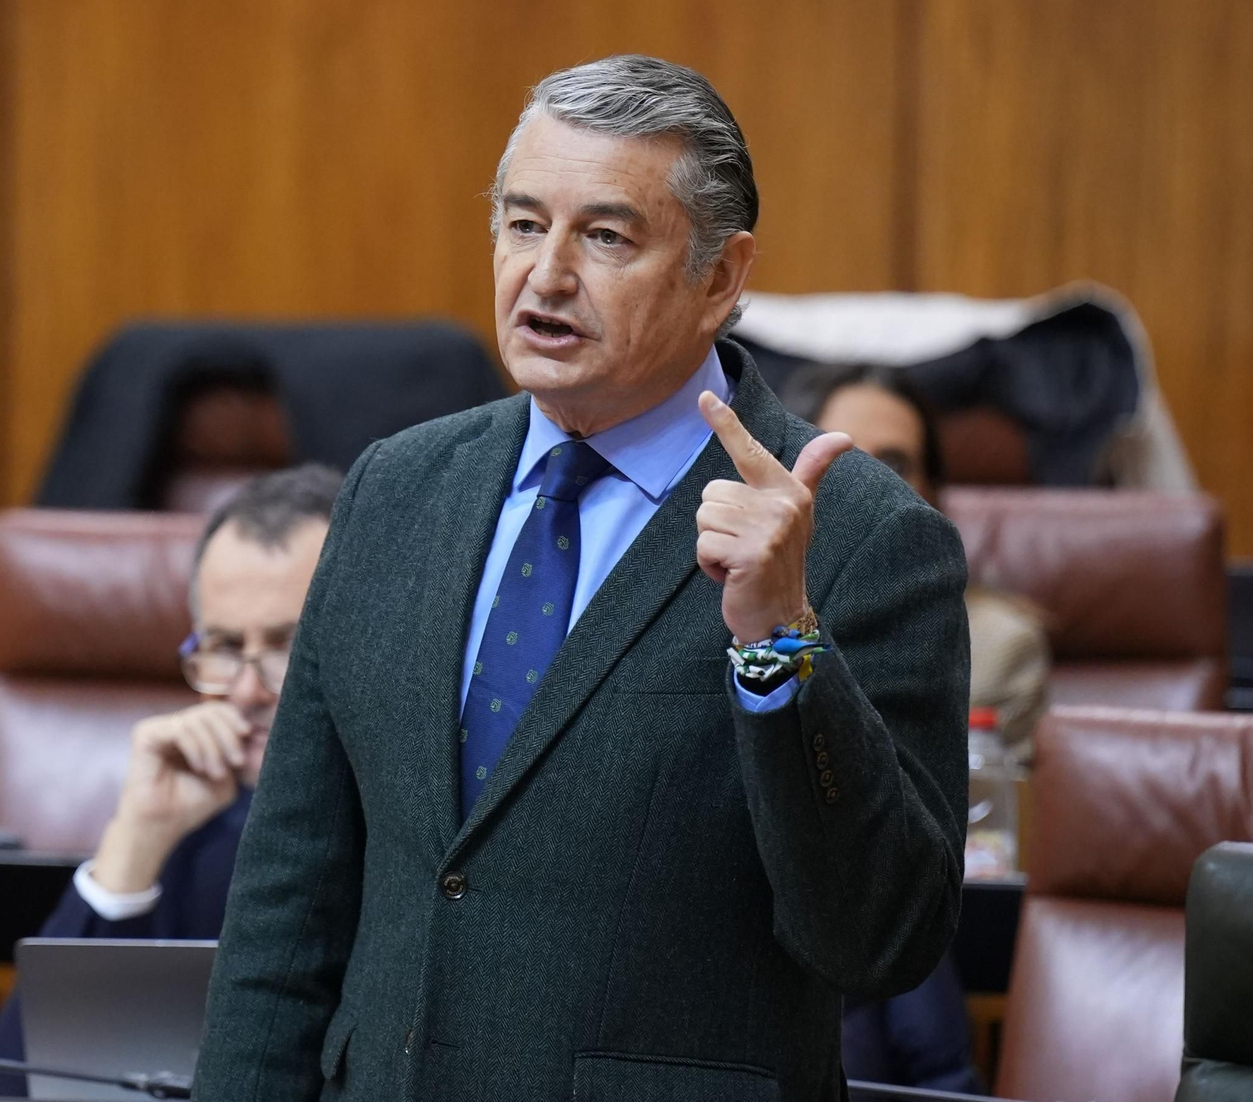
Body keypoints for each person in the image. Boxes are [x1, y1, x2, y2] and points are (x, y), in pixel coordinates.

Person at [190, 55, 969, 1102]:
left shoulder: (861, 537)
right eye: (521, 224)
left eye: (604, 236)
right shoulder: (394, 490)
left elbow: (882, 939)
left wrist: (779, 639)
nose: (544, 276)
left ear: (721, 278)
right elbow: (286, 904)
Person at [0, 463, 342, 1096]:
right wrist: (136, 841)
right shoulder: (197, 825)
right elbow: (22, 1086)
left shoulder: (429, 825)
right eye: (225, 647)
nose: (247, 690)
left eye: (289, 645)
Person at [780, 362, 1051, 758]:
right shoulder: (733, 624)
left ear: (930, 497)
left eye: (893, 466)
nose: (866, 486)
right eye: (838, 458)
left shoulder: (994, 649)